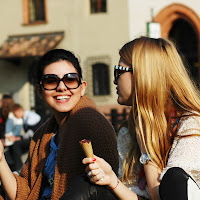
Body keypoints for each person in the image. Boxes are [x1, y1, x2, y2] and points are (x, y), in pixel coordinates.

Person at [80, 37, 200, 200]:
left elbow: (168, 194)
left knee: (175, 178)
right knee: (85, 185)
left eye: (119, 71)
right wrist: (112, 180)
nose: (114, 80)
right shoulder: (129, 130)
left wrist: (147, 153)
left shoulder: (191, 123)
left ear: (143, 74)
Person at [0, 49, 119, 200]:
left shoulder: (91, 124)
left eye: (70, 80)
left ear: (82, 87)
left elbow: (104, 193)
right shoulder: (42, 135)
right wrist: (1, 160)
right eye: (51, 81)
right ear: (39, 91)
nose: (62, 87)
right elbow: (23, 193)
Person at [4, 103, 42, 172]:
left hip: (37, 139)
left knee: (16, 144)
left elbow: (31, 134)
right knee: (11, 150)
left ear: (19, 110)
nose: (16, 116)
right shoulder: (26, 117)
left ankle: (19, 168)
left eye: (15, 114)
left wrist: (16, 138)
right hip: (33, 139)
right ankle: (12, 168)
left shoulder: (31, 118)